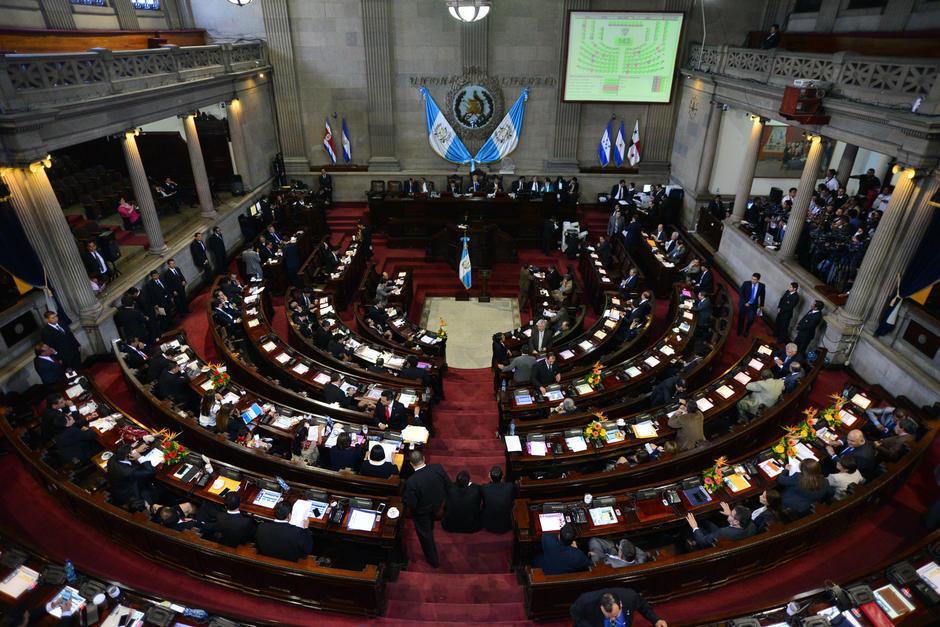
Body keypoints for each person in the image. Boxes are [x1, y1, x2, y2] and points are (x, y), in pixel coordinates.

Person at [403, 450, 449, 568]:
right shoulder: (438, 468)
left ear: (411, 464)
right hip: (439, 506)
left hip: (422, 513)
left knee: (425, 536)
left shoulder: (411, 482)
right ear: (424, 458)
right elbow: (448, 484)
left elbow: (412, 504)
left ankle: (434, 561)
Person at [570, 589, 667, 627]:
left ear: (620, 604)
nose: (613, 620)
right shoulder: (585, 601)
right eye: (608, 616)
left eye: (615, 616)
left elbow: (643, 606)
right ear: (601, 607)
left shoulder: (630, 597)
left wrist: (656, 620)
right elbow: (575, 614)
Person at [106, 442, 156, 510]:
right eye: (132, 450)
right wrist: (140, 457)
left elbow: (125, 455)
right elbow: (151, 471)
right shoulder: (128, 472)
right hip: (129, 493)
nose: (133, 450)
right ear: (128, 455)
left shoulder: (112, 459)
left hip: (117, 486)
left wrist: (136, 450)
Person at [686, 503, 756, 548]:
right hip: (732, 538)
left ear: (736, 521)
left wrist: (694, 526)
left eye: (731, 514)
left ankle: (694, 543)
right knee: (707, 523)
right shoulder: (752, 525)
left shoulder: (724, 531)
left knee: (698, 529)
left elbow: (703, 541)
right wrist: (730, 515)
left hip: (716, 543)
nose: (729, 513)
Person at [480, 465, 515, 533]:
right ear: (502, 476)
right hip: (506, 524)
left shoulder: (484, 488)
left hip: (489, 525)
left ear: (489, 476)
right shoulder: (510, 486)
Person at [737, 272, 765, 337]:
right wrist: (744, 302)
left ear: (758, 280)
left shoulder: (762, 286)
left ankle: (747, 330)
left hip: (753, 306)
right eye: (752, 278)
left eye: (754, 279)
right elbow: (741, 294)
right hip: (744, 304)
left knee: (751, 319)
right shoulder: (746, 283)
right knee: (741, 318)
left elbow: (762, 296)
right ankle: (740, 330)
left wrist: (762, 305)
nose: (752, 280)